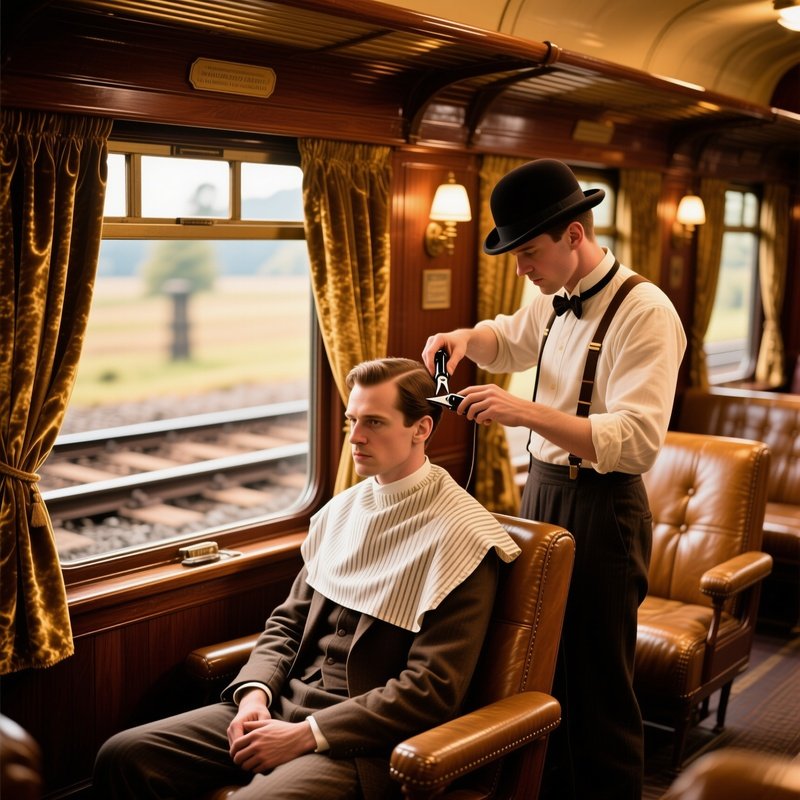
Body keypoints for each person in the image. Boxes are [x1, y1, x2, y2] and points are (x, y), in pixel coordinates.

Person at [93, 357, 521, 800]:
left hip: (362, 743)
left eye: (374, 422)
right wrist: (255, 696)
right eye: (352, 420)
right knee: (124, 755)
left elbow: (430, 690)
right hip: (280, 704)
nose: (355, 437)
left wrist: (306, 734)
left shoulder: (464, 537)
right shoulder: (341, 511)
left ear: (421, 428)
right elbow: (288, 623)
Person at [422, 159, 687, 800]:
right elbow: (510, 341)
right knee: (544, 668)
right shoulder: (549, 294)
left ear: (574, 234)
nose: (520, 269)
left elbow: (637, 440)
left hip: (604, 505)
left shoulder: (646, 312)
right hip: (540, 492)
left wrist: (525, 412)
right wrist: (464, 338)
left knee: (598, 683)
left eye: (528, 252)